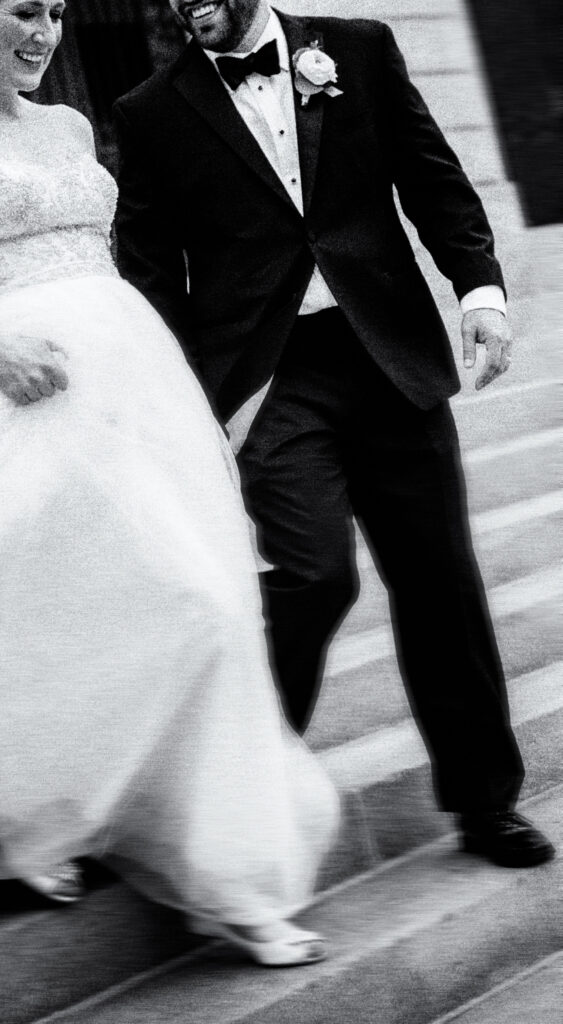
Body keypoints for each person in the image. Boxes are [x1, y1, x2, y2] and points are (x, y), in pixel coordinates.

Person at [0, 0, 341, 967]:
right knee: (144, 605)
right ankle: (136, 850)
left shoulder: (68, 126)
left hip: (128, 383)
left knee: (198, 597)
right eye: (25, 12)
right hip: (17, 388)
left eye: (59, 13)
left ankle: (221, 874)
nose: (47, 33)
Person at [113, 0, 555, 867]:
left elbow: (431, 179)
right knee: (311, 574)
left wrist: (479, 293)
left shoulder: (355, 46)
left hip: (388, 357)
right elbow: (151, 267)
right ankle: (239, 777)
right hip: (268, 379)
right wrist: (176, 398)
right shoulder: (149, 111)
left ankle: (482, 804)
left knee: (440, 585)